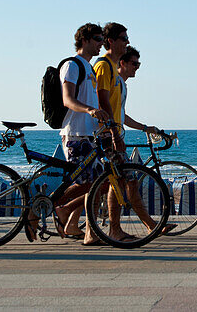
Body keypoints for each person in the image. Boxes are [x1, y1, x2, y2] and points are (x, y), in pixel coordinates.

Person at [96, 40, 172, 239]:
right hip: (109, 136)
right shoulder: (114, 81)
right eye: (134, 64)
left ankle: (149, 225)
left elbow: (122, 114)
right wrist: (113, 133)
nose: (137, 68)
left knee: (122, 182)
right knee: (119, 182)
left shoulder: (121, 85)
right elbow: (108, 109)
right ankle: (123, 228)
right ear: (122, 63)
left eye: (138, 64)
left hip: (115, 135)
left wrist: (144, 128)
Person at [53, 23, 110, 245]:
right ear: (84, 40)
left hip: (90, 134)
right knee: (90, 184)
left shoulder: (89, 68)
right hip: (76, 134)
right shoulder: (72, 65)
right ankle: (57, 208)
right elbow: (67, 99)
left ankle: (71, 221)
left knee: (98, 184)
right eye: (97, 39)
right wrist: (90, 110)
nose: (101, 44)